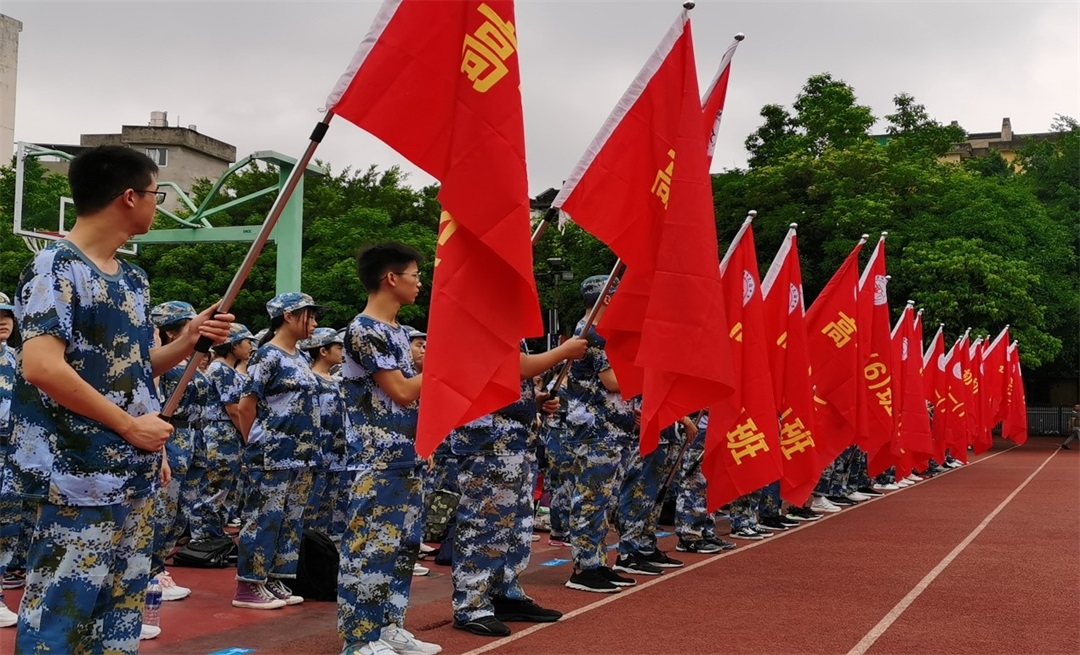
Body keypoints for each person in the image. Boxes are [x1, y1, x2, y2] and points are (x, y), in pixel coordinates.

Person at [9, 145, 232, 654]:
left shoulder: (132, 279)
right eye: (156, 193)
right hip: (77, 472)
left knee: (120, 611)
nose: (158, 204)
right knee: (63, 613)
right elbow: (42, 366)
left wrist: (187, 341)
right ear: (129, 197)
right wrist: (131, 427)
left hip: (131, 471)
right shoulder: (54, 267)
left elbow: (129, 369)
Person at [338, 242, 440, 655]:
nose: (420, 282)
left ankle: (389, 626)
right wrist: (440, 366)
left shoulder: (398, 331)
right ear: (391, 278)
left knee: (401, 547)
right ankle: (359, 638)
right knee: (370, 548)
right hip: (376, 457)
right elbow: (400, 391)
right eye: (415, 274)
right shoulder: (366, 329)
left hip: (405, 455)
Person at [450, 337, 586, 637]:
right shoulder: (479, 314)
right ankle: (471, 604)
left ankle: (504, 593)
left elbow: (501, 380)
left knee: (514, 526)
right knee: (485, 525)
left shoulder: (507, 322)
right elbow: (513, 368)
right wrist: (563, 352)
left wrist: (532, 400)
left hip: (515, 439)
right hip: (488, 441)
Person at [234, 292, 323, 609]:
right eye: (308, 316)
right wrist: (257, 442)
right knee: (263, 518)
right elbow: (247, 406)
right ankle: (249, 584)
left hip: (301, 454)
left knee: (290, 519)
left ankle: (274, 576)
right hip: (272, 452)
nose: (314, 323)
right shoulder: (267, 355)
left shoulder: (301, 356)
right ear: (288, 316)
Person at [148, 301, 206, 604]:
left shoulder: (191, 362)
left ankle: (158, 565)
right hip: (170, 435)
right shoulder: (162, 364)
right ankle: (151, 571)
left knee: (182, 510)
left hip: (192, 436)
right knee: (163, 509)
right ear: (171, 332)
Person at [187, 323, 253, 543]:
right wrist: (247, 435)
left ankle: (213, 531)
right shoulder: (221, 369)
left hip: (227, 432)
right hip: (221, 431)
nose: (250, 346)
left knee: (226, 486)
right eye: (246, 341)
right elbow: (233, 409)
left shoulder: (228, 369)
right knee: (216, 484)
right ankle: (204, 535)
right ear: (233, 345)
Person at [301, 327, 349, 541]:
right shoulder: (310, 380)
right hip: (318, 451)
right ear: (323, 351)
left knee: (329, 503)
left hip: (337, 451)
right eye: (338, 347)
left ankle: (321, 545)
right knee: (311, 502)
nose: (342, 351)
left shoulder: (335, 380)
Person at [0, 292, 18, 627]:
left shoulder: (20, 357)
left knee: (6, 528)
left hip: (13, 452)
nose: (3, 321)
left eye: (7, 315)